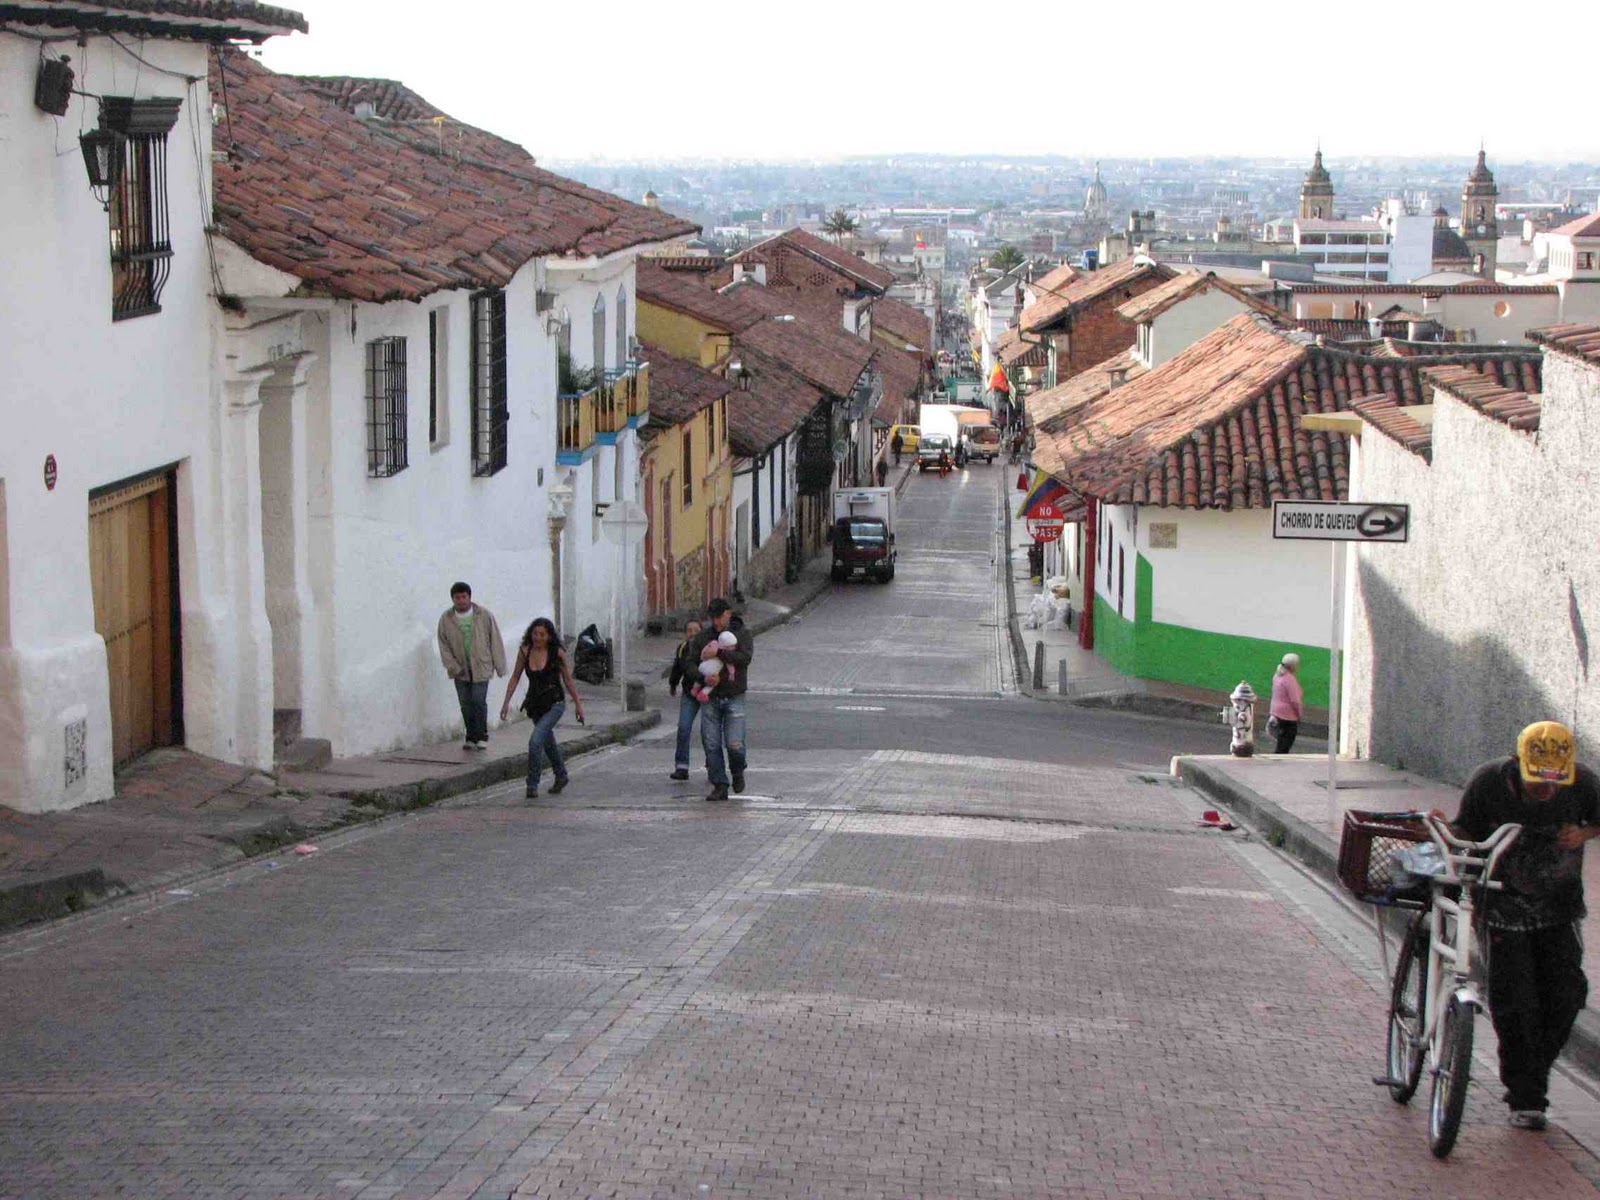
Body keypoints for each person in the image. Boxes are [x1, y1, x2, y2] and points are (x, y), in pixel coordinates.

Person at [1452, 721, 1600, 1130]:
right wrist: (1444, 834)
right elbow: (1463, 829)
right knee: (1516, 1003)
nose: (1548, 791)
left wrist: (1585, 832)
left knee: (1567, 995)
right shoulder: (1488, 783)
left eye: (1556, 783)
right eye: (1539, 783)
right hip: (1501, 909)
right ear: (1518, 765)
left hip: (1559, 909)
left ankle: (1532, 1074)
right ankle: (1526, 1096)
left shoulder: (1584, 783)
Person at [500, 617, 585, 798]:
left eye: (542, 635)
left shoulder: (557, 653)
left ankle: (532, 784)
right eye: (535, 634)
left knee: (535, 740)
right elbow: (515, 677)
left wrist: (578, 705)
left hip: (555, 703)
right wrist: (506, 703)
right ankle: (561, 775)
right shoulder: (525, 651)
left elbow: (568, 680)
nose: (538, 638)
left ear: (549, 636)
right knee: (548, 742)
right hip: (536, 705)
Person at [688, 598, 753, 802]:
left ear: (728, 613)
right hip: (711, 697)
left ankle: (737, 769)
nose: (716, 622)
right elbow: (689, 664)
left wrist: (720, 653)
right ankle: (719, 784)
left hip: (734, 695)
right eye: (713, 618)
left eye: (720, 617)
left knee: (735, 743)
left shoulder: (741, 634)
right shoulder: (703, 637)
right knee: (711, 743)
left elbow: (744, 658)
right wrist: (703, 678)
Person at [436, 582, 506, 751]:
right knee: (465, 703)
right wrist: (451, 665)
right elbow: (443, 645)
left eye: (463, 597)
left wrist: (499, 665)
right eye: (457, 597)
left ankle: (482, 736)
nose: (460, 600)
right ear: (452, 599)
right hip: (460, 669)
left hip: (481, 666)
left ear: (469, 597)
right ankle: (470, 736)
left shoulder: (483, 615)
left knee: (478, 701)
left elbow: (494, 639)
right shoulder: (446, 619)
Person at [666, 618, 704, 782]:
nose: (693, 634)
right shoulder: (682, 649)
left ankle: (713, 764)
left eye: (696, 630)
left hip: (708, 693)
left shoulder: (709, 648)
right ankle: (681, 766)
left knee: (709, 732)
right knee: (683, 727)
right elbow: (677, 668)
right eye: (690, 630)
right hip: (689, 693)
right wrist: (673, 684)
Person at [1269, 652, 1303, 753]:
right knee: (1286, 742)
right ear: (1293, 666)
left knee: (1281, 740)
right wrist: (1299, 714)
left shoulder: (1277, 675)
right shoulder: (1290, 679)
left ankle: (1277, 757)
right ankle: (1279, 761)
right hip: (1288, 716)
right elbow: (1295, 701)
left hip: (1275, 712)